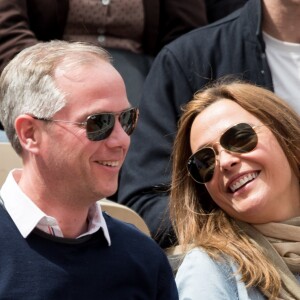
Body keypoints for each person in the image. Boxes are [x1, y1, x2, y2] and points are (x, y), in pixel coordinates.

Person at [0, 40, 178, 299]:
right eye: (99, 122)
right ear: (30, 134)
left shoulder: (143, 257)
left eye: (127, 119)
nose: (121, 140)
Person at [116, 0, 300, 248]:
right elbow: (145, 203)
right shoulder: (187, 60)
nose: (227, 160)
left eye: (242, 138)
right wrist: (245, 230)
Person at [171, 80, 300, 299]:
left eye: (239, 138)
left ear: (284, 133)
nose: (224, 162)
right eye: (205, 161)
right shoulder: (210, 269)